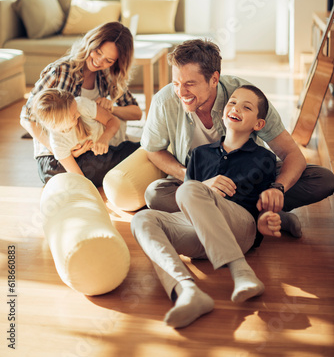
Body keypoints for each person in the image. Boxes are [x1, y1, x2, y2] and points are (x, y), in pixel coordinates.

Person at [141, 39, 334, 236]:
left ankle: (222, 217)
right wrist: (195, 182)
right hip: (198, 180)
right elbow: (153, 150)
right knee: (155, 194)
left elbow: (292, 153)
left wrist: (277, 188)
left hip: (248, 178)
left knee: (323, 179)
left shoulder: (246, 96)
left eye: (190, 84)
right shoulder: (164, 102)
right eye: (176, 83)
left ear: (214, 79)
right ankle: (264, 218)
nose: (181, 92)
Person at [131, 84, 282, 329]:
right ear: (223, 112)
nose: (236, 108)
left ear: (258, 125)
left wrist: (266, 219)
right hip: (198, 232)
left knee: (189, 188)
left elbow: (262, 203)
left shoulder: (263, 158)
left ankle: (241, 271)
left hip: (239, 229)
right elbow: (188, 199)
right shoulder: (199, 154)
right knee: (142, 219)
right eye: (232, 102)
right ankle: (187, 291)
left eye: (247, 107)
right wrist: (204, 187)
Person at [20, 21, 142, 187]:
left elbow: (136, 113)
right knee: (128, 157)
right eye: (98, 52)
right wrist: (61, 151)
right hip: (55, 156)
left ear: (116, 62)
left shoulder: (107, 76)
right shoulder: (60, 71)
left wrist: (111, 108)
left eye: (108, 60)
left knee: (106, 159)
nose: (99, 61)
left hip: (89, 150)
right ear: (90, 43)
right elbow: (26, 117)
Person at [31, 88, 133, 178]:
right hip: (93, 154)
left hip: (114, 139)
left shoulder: (81, 104)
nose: (79, 114)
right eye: (74, 116)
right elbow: (78, 175)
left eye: (76, 110)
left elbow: (114, 121)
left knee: (129, 153)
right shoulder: (57, 143)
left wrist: (104, 139)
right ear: (56, 125)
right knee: (87, 169)